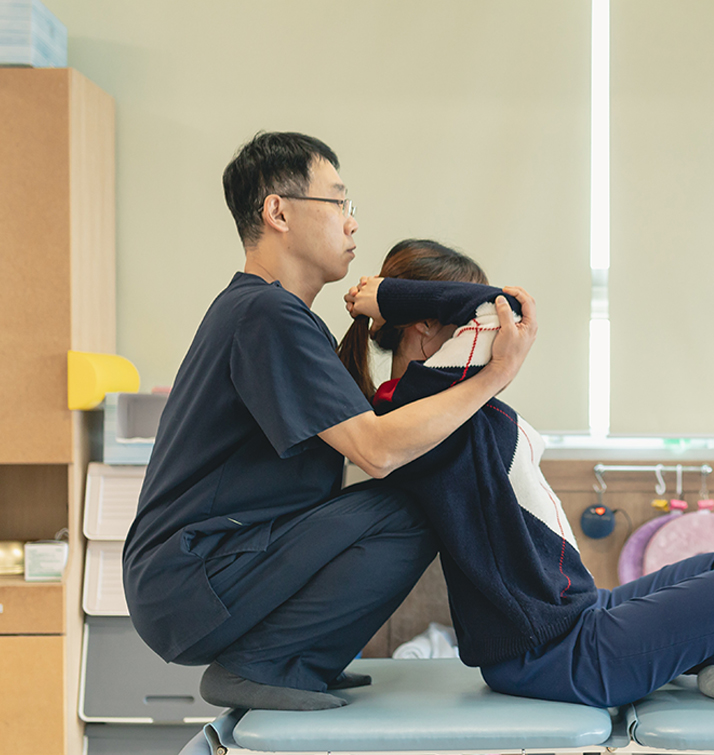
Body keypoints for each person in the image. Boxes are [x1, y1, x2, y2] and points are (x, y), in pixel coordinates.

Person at [122, 133, 537, 712]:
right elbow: (379, 450)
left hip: (204, 573)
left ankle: (295, 660)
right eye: (339, 202)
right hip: (193, 580)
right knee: (417, 504)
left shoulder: (277, 317)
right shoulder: (266, 314)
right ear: (278, 212)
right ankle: (265, 664)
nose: (352, 222)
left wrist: (392, 301)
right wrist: (495, 373)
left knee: (414, 491)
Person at [340, 240, 714, 713]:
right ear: (424, 324)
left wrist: (395, 301)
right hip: (547, 651)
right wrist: (388, 298)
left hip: (572, 615)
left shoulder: (445, 399)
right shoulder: (415, 403)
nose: (500, 334)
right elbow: (504, 306)